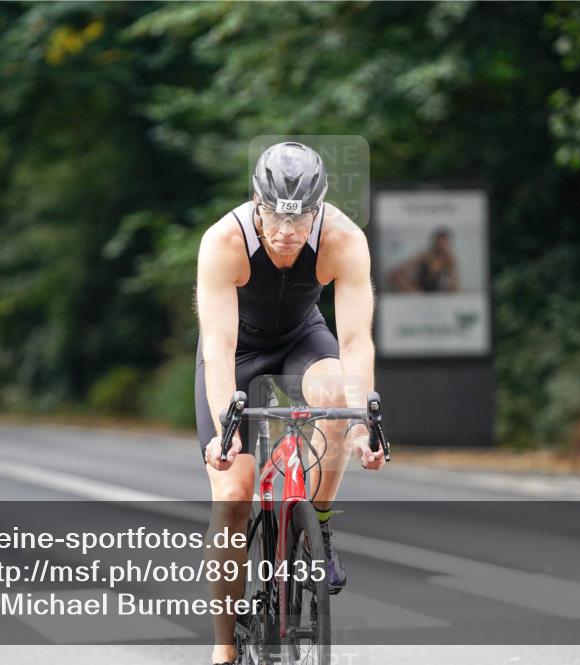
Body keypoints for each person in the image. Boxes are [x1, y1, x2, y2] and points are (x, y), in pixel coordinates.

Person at [194, 141, 385, 665]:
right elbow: (217, 347)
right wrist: (224, 430)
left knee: (336, 402)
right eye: (276, 216)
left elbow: (355, 343)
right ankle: (225, 645)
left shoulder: (344, 239)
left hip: (305, 340)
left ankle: (317, 523)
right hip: (238, 351)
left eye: (300, 220)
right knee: (233, 496)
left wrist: (364, 422)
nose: (285, 232)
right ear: (256, 202)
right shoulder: (224, 241)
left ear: (319, 210)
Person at [389, 227, 460, 293]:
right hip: (419, 290)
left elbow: (454, 284)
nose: (441, 245)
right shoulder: (426, 255)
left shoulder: (449, 259)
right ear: (435, 242)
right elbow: (401, 269)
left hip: (436, 291)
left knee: (454, 289)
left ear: (448, 244)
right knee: (396, 275)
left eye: (444, 243)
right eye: (439, 243)